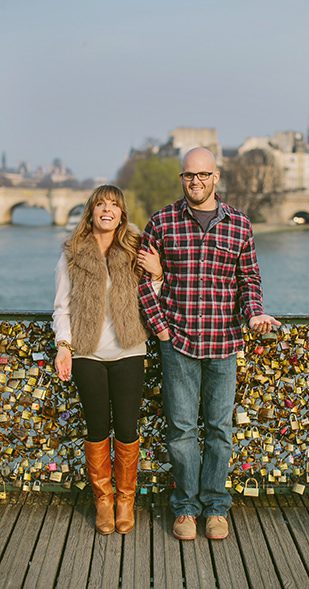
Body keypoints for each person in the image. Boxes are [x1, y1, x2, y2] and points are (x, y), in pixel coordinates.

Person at [138, 147, 281, 541]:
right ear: (182, 178)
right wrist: (162, 330)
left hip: (223, 341)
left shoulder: (239, 224)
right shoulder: (162, 223)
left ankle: (216, 507)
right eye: (189, 175)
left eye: (203, 175)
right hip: (178, 341)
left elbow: (248, 280)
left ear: (216, 177)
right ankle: (186, 508)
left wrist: (254, 314)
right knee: (181, 430)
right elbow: (143, 282)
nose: (195, 181)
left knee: (220, 429)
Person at [52, 184, 163, 534]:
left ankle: (125, 499)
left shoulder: (135, 247)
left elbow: (151, 296)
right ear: (91, 211)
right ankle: (103, 499)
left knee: (128, 428)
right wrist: (63, 345)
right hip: (87, 351)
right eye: (101, 204)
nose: (107, 210)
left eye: (114, 204)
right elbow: (62, 306)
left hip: (129, 348)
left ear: (121, 213)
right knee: (97, 426)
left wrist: (158, 273)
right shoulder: (72, 252)